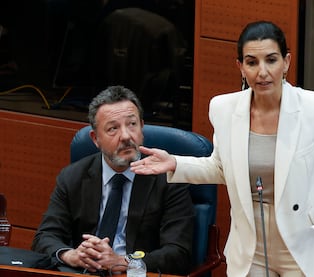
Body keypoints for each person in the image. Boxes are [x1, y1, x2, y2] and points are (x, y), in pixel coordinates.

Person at [130, 21, 314, 277]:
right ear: (240, 67)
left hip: (304, 238)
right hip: (251, 241)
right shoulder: (223, 109)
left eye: (271, 60)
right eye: (252, 62)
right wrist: (176, 164)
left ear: (286, 62)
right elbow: (221, 168)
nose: (262, 72)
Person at [32, 86, 194, 275]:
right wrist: (72, 256)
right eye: (113, 128)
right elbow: (44, 237)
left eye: (132, 124)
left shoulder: (168, 178)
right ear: (95, 138)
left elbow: (178, 253)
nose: (125, 136)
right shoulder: (72, 177)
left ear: (142, 127)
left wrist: (123, 261)